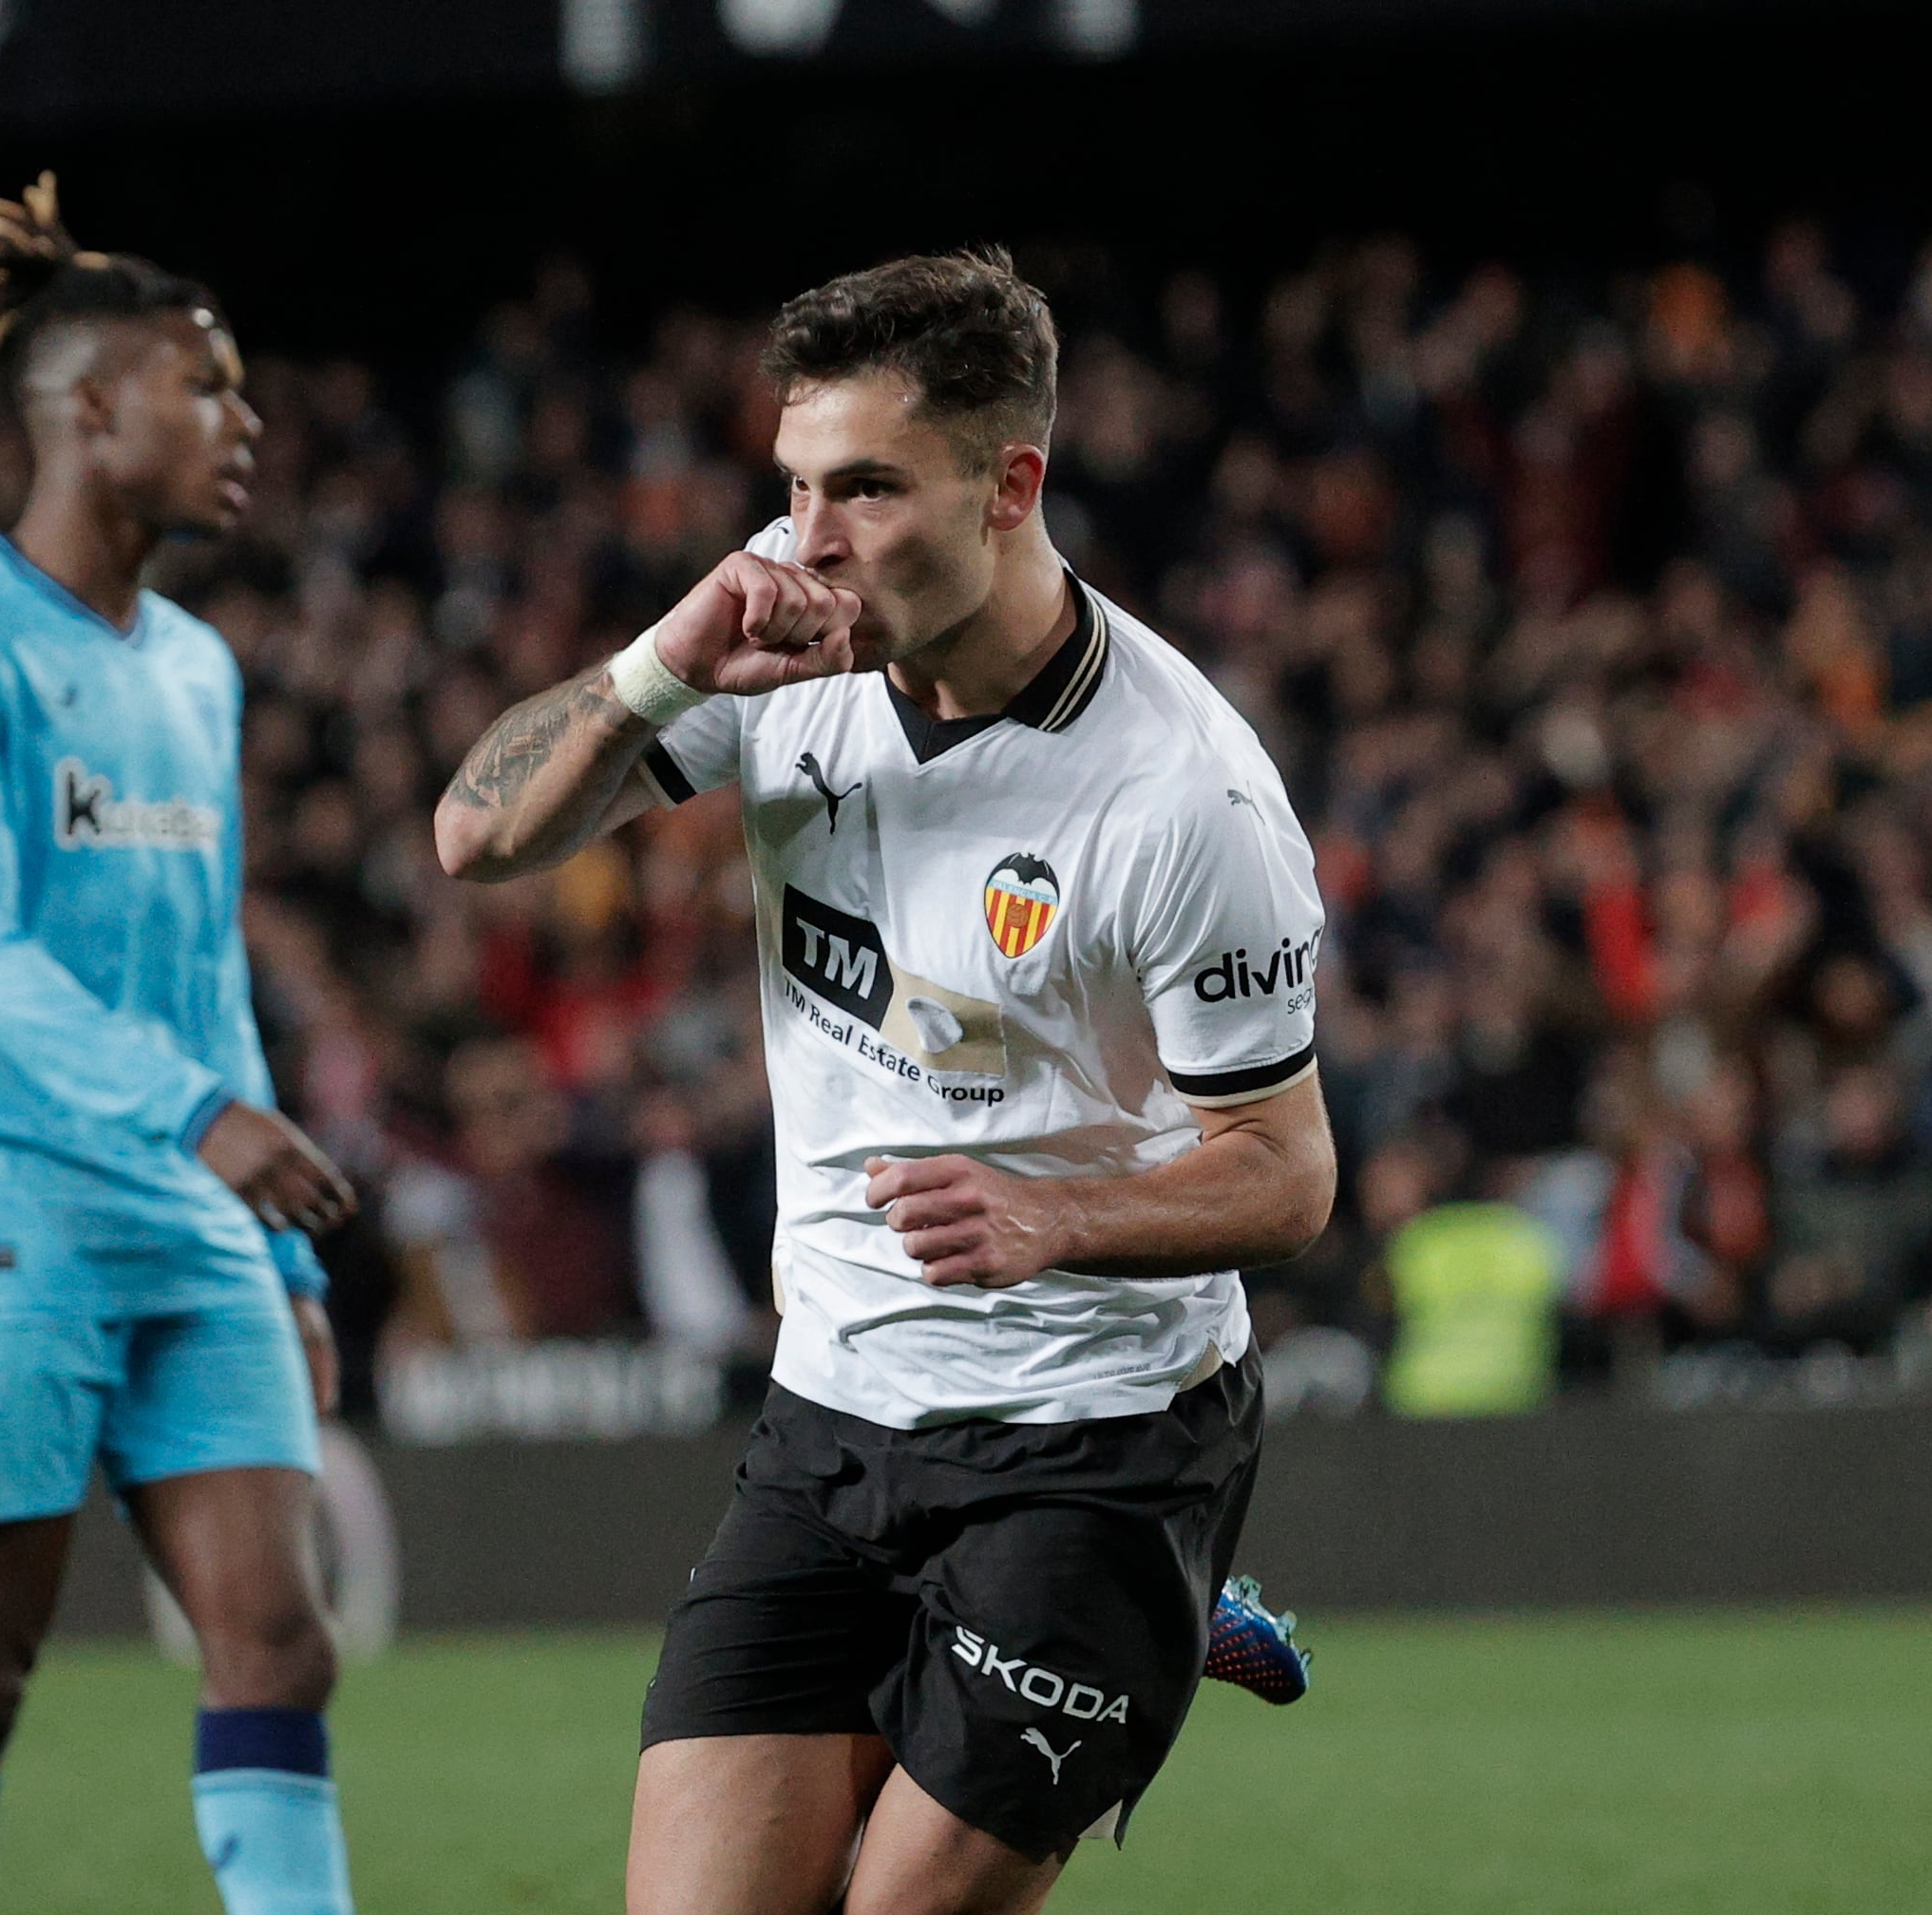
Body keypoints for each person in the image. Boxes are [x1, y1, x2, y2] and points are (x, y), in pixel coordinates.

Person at [435, 250, 1335, 1915]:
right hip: (836, 1422)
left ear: (1012, 487)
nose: (811, 537)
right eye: (791, 487)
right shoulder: (783, 656)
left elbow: (1285, 1175)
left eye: (864, 489)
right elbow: (476, 837)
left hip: (1096, 1436)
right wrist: (665, 666)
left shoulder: (1179, 799)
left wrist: (1055, 1219)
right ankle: (1147, 1623)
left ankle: (1147, 1591)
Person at [0, 176, 359, 1915]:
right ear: (87, 411)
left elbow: (203, 966)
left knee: (280, 1647)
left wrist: (280, 1240)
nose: (247, 420)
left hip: (193, 1221)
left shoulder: (198, 668)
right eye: (204, 386)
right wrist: (201, 1118)